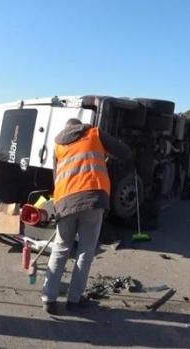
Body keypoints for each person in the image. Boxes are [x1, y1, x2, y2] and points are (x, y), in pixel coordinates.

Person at [41, 118, 131, 314]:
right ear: (80, 127)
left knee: (60, 250)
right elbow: (124, 153)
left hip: (64, 201)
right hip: (93, 199)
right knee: (85, 252)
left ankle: (48, 299)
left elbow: (57, 177)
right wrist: (105, 152)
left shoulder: (58, 144)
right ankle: (74, 301)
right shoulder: (94, 134)